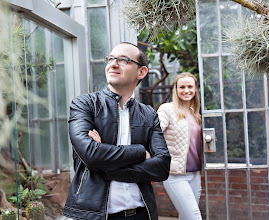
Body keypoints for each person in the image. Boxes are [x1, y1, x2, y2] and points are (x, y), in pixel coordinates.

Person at [63, 42, 171, 220]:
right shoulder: (85, 104)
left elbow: (162, 166)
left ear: (141, 72)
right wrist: (141, 152)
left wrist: (105, 167)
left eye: (123, 60)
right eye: (111, 59)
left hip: (142, 214)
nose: (113, 64)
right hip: (95, 215)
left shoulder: (149, 114)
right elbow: (91, 154)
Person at [157, 72, 203, 220]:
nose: (186, 90)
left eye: (190, 86)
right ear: (176, 89)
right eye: (182, 87)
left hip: (195, 174)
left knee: (186, 216)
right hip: (175, 175)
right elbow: (155, 132)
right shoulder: (167, 109)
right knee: (194, 217)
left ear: (195, 89)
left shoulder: (195, 113)